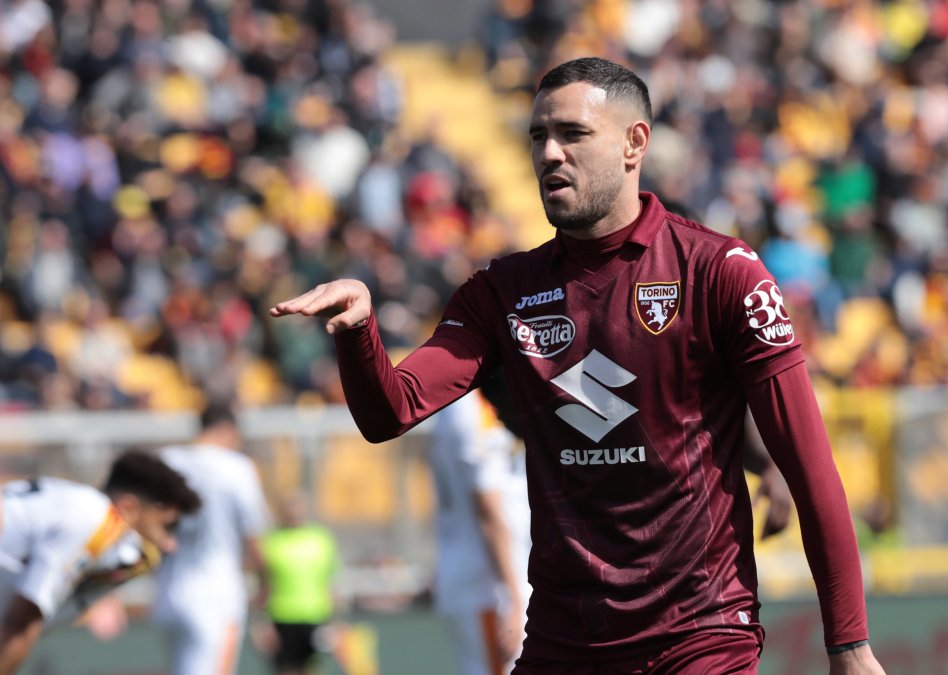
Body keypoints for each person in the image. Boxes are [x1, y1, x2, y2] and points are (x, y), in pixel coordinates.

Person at [272, 57, 885, 674]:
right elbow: (389, 411)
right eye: (538, 136)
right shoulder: (502, 292)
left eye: (572, 133)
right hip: (564, 646)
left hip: (700, 641)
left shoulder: (720, 272)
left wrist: (850, 646)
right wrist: (358, 331)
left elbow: (811, 471)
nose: (549, 154)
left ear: (633, 143)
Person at [0, 451, 201, 674]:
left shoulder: (77, 503)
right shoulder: (94, 518)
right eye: (166, 527)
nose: (170, 545)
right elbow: (19, 627)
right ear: (129, 508)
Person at [152, 401, 272, 675]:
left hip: (168, 592)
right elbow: (255, 538)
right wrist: (266, 583)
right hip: (217, 596)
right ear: (228, 430)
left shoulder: (167, 460)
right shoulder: (237, 467)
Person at [428, 384, 531, 675]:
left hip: (489, 575)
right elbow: (487, 507)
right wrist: (512, 597)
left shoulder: (462, 403)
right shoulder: (470, 407)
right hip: (488, 584)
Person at [258, 495, 340, 675]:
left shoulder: (321, 540)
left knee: (312, 669)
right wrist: (263, 622)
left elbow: (330, 583)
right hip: (282, 617)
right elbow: (264, 585)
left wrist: (334, 622)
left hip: (315, 616)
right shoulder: (271, 541)